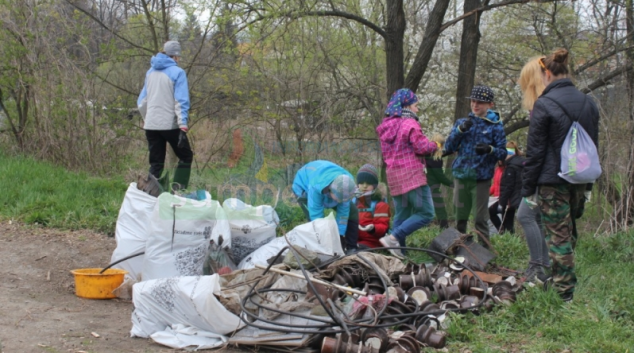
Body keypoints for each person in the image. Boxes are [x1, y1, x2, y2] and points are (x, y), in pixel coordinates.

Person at [521, 48, 600, 301]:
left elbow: (535, 153)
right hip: (579, 177)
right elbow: (593, 145)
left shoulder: (544, 104)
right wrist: (589, 186)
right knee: (570, 233)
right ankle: (560, 280)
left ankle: (564, 295)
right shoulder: (589, 102)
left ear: (546, 73)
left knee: (558, 238)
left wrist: (528, 190)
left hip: (552, 182)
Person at [376, 88, 438, 258]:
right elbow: (422, 147)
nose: (417, 110)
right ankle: (393, 238)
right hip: (411, 175)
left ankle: (398, 254)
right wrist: (436, 144)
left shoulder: (387, 126)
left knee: (402, 215)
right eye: (416, 106)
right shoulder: (409, 123)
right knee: (426, 213)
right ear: (407, 106)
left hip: (394, 176)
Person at [444, 85, 507, 247]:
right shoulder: (462, 123)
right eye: (473, 101)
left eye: (480, 102)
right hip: (461, 176)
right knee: (460, 218)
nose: (475, 105)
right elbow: (449, 147)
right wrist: (459, 131)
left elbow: (502, 153)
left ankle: (485, 252)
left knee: (480, 219)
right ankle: (460, 251)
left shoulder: (495, 126)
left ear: (490, 105)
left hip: (481, 178)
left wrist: (490, 149)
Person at [138, 40, 193, 189]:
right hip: (170, 125)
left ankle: (150, 197)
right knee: (186, 156)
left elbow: (142, 102)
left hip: (151, 125)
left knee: (156, 163)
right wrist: (183, 126)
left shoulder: (150, 72)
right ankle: (178, 192)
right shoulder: (178, 72)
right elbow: (181, 101)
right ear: (175, 56)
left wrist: (148, 120)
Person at [517, 57, 550, 281]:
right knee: (536, 218)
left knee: (524, 215)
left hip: (543, 171)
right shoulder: (550, 102)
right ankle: (544, 265)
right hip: (548, 170)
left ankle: (537, 266)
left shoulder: (541, 105)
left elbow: (538, 148)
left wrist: (529, 181)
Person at [292, 160, 359, 254]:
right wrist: (326, 242)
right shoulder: (315, 188)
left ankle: (351, 247)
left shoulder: (347, 185)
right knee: (315, 224)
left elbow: (343, 213)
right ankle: (318, 250)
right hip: (304, 186)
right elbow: (317, 217)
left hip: (326, 178)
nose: (340, 202)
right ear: (331, 190)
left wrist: (340, 236)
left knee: (352, 211)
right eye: (338, 198)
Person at [355, 164, 391, 249]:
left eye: (368, 183)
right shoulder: (354, 201)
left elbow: (383, 227)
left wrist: (373, 228)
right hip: (354, 239)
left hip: (372, 242)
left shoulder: (380, 204)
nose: (364, 186)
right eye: (361, 183)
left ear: (375, 185)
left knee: (357, 253)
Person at [494, 141, 525, 234]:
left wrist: (502, 202)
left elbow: (508, 186)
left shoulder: (511, 167)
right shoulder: (521, 163)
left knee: (508, 223)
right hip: (519, 197)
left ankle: (509, 241)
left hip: (511, 199)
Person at [424, 151, 453, 229]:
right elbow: (440, 176)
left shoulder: (428, 155)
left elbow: (444, 152)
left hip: (427, 185)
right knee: (440, 208)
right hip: (432, 186)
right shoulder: (434, 160)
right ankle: (444, 227)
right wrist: (452, 184)